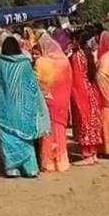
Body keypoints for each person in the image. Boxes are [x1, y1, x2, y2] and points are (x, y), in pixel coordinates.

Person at [0, 36, 50, 178]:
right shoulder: (25, 64)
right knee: (25, 138)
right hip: (25, 108)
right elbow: (32, 86)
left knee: (9, 138)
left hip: (6, 108)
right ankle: (30, 169)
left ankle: (12, 169)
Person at [34, 34, 73, 172]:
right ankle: (62, 162)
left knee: (47, 132)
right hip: (62, 101)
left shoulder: (41, 62)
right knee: (60, 132)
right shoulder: (65, 62)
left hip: (46, 101)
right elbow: (69, 82)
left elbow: (36, 82)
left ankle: (48, 162)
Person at [70, 31, 103, 165]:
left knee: (84, 121)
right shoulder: (88, 54)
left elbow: (77, 77)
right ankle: (93, 153)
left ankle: (87, 154)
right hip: (91, 90)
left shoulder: (77, 56)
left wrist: (76, 95)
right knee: (93, 121)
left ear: (76, 41)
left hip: (82, 91)